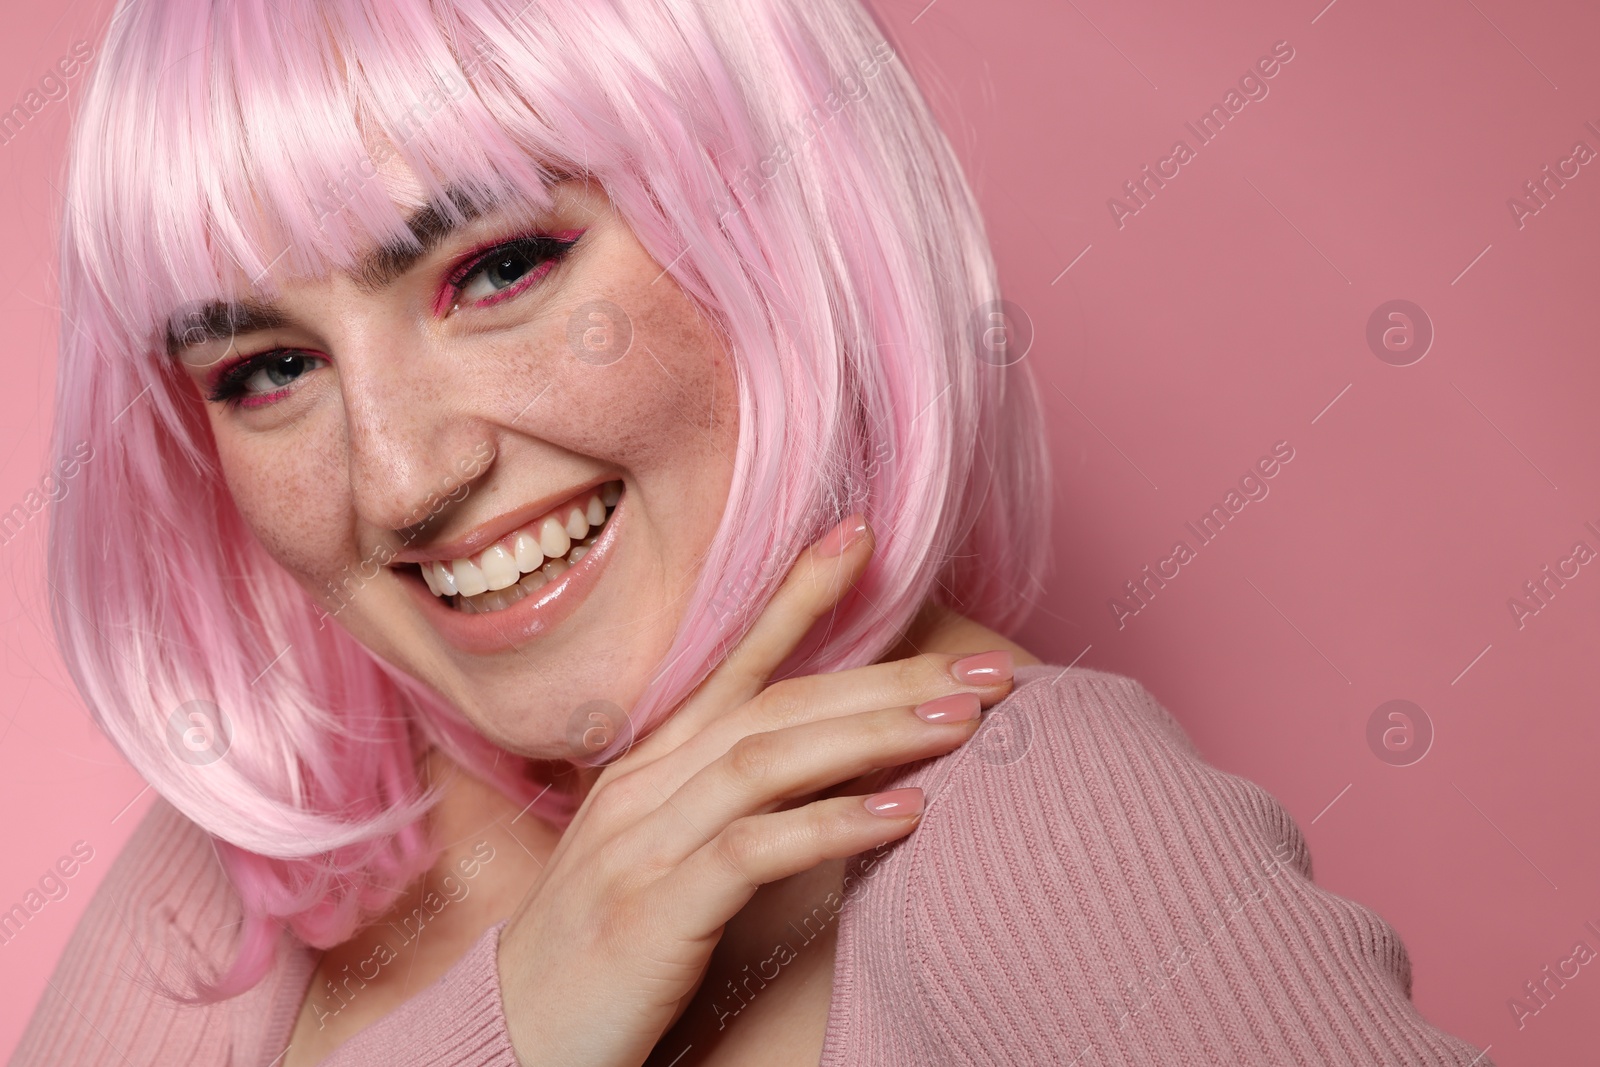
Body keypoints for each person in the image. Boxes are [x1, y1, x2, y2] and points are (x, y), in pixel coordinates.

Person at [13, 0, 1490, 1063]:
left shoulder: (1039, 824)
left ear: (772, 228)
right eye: (266, 368)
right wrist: (519, 1026)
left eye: (503, 265)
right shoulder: (301, 831)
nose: (399, 478)